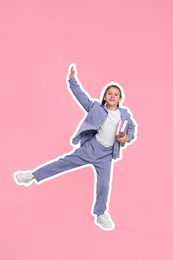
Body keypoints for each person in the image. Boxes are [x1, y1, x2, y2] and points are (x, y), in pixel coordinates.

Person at [14, 64, 137, 231]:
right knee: (61, 163)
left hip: (106, 155)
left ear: (120, 98)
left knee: (104, 185)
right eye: (109, 93)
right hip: (91, 149)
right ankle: (31, 176)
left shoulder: (125, 114)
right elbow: (81, 97)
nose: (112, 96)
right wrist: (72, 81)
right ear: (104, 97)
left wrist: (127, 137)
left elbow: (132, 129)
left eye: (116, 94)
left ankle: (100, 214)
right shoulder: (96, 108)